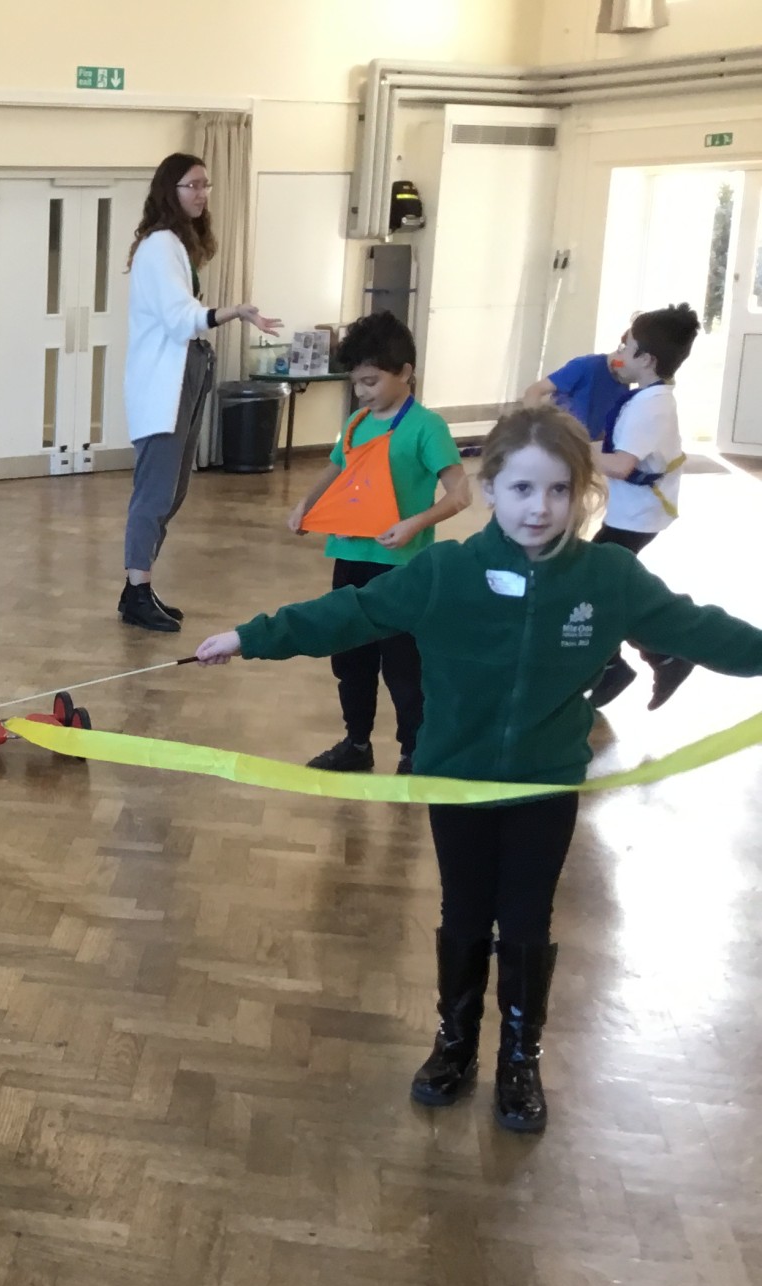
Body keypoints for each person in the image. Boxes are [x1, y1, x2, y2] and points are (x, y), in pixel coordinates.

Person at [196, 404, 762, 1134]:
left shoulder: (609, 578)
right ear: (490, 488)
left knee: (526, 918)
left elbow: (703, 630)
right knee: (464, 912)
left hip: (544, 786)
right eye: (523, 488)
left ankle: (521, 1059)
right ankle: (455, 1044)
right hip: (455, 781)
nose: (540, 508)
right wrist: (249, 637)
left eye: (559, 490)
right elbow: (350, 613)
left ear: (582, 493)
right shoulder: (446, 572)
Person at [287, 311, 473, 774]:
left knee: (403, 666)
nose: (362, 392)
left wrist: (413, 524)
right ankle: (356, 743)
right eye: (356, 383)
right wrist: (306, 504)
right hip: (350, 558)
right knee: (351, 658)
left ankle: (414, 751)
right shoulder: (356, 423)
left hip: (402, 567)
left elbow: (460, 495)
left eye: (370, 381)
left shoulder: (427, 427)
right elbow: (337, 468)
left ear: (405, 372)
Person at [120, 152, 280, 632]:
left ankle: (138, 586)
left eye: (206, 185)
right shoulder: (159, 245)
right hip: (163, 383)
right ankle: (137, 590)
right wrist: (234, 311)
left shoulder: (176, 245)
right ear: (169, 191)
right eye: (192, 185)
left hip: (184, 373)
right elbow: (179, 318)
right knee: (155, 493)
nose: (202, 194)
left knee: (174, 491)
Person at [586, 304, 703, 712]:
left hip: (636, 516)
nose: (620, 352)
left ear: (647, 360)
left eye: (627, 346)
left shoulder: (650, 406)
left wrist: (571, 449)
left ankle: (650, 658)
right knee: (608, 585)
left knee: (598, 584)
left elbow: (621, 465)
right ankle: (637, 661)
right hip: (636, 513)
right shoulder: (651, 398)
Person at [523, 328, 634, 444]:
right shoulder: (585, 366)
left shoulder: (623, 383)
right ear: (622, 350)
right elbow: (534, 391)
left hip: (584, 446)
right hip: (558, 441)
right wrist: (537, 434)